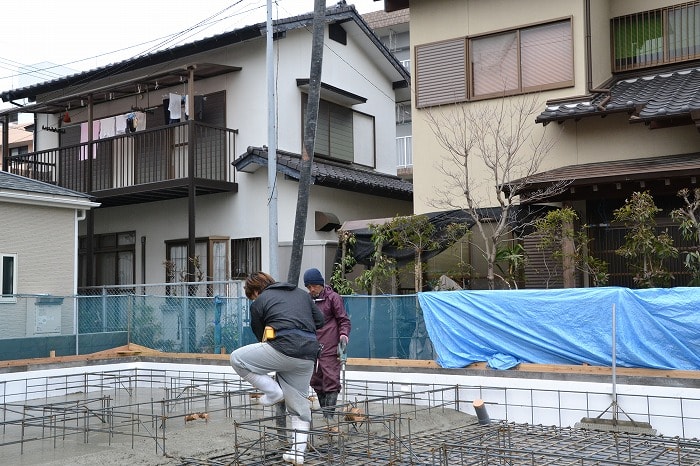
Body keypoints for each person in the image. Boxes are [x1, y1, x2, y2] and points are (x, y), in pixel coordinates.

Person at [230, 271, 324, 465]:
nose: (253, 299)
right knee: (299, 406)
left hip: (282, 348)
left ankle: (273, 392)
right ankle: (298, 453)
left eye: (252, 295)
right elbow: (320, 321)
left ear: (256, 290)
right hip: (308, 354)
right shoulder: (301, 294)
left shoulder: (260, 300)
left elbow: (259, 334)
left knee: (237, 359)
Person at [303, 268, 352, 427]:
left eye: (314, 286)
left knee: (331, 379)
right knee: (316, 380)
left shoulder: (333, 298)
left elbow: (343, 320)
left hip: (330, 346)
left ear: (320, 283)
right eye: (308, 287)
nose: (312, 290)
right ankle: (326, 415)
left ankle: (329, 418)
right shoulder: (307, 300)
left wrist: (343, 337)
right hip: (312, 346)